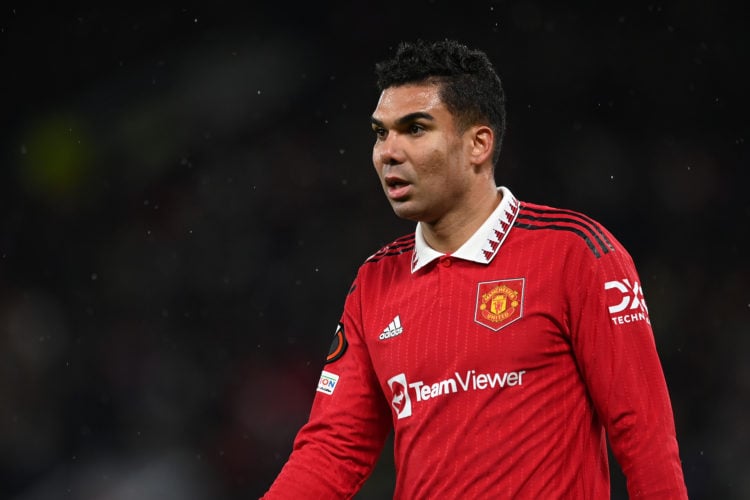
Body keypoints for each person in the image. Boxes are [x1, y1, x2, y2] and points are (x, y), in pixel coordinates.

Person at [262, 39, 688, 499]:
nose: (388, 151)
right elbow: (332, 450)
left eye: (415, 128)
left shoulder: (576, 254)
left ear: (478, 144)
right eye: (381, 132)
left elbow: (642, 430)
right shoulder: (374, 281)